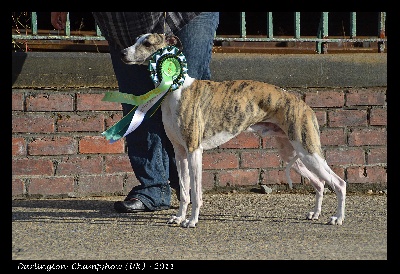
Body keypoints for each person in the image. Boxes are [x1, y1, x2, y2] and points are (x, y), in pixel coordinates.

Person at [51, 12, 219, 213]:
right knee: (139, 105)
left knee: (188, 104)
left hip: (188, 16)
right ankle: (152, 188)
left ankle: (185, 186)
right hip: (126, 20)